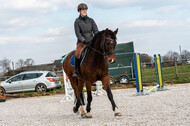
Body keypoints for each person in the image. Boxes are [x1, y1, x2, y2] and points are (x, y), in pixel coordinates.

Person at [72, 3, 99, 77]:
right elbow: (78, 34)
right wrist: (84, 41)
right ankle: (76, 70)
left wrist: (96, 39)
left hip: (92, 41)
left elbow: (96, 31)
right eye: (82, 10)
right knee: (77, 54)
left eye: (85, 9)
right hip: (82, 42)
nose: (84, 11)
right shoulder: (77, 21)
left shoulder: (91, 20)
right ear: (79, 11)